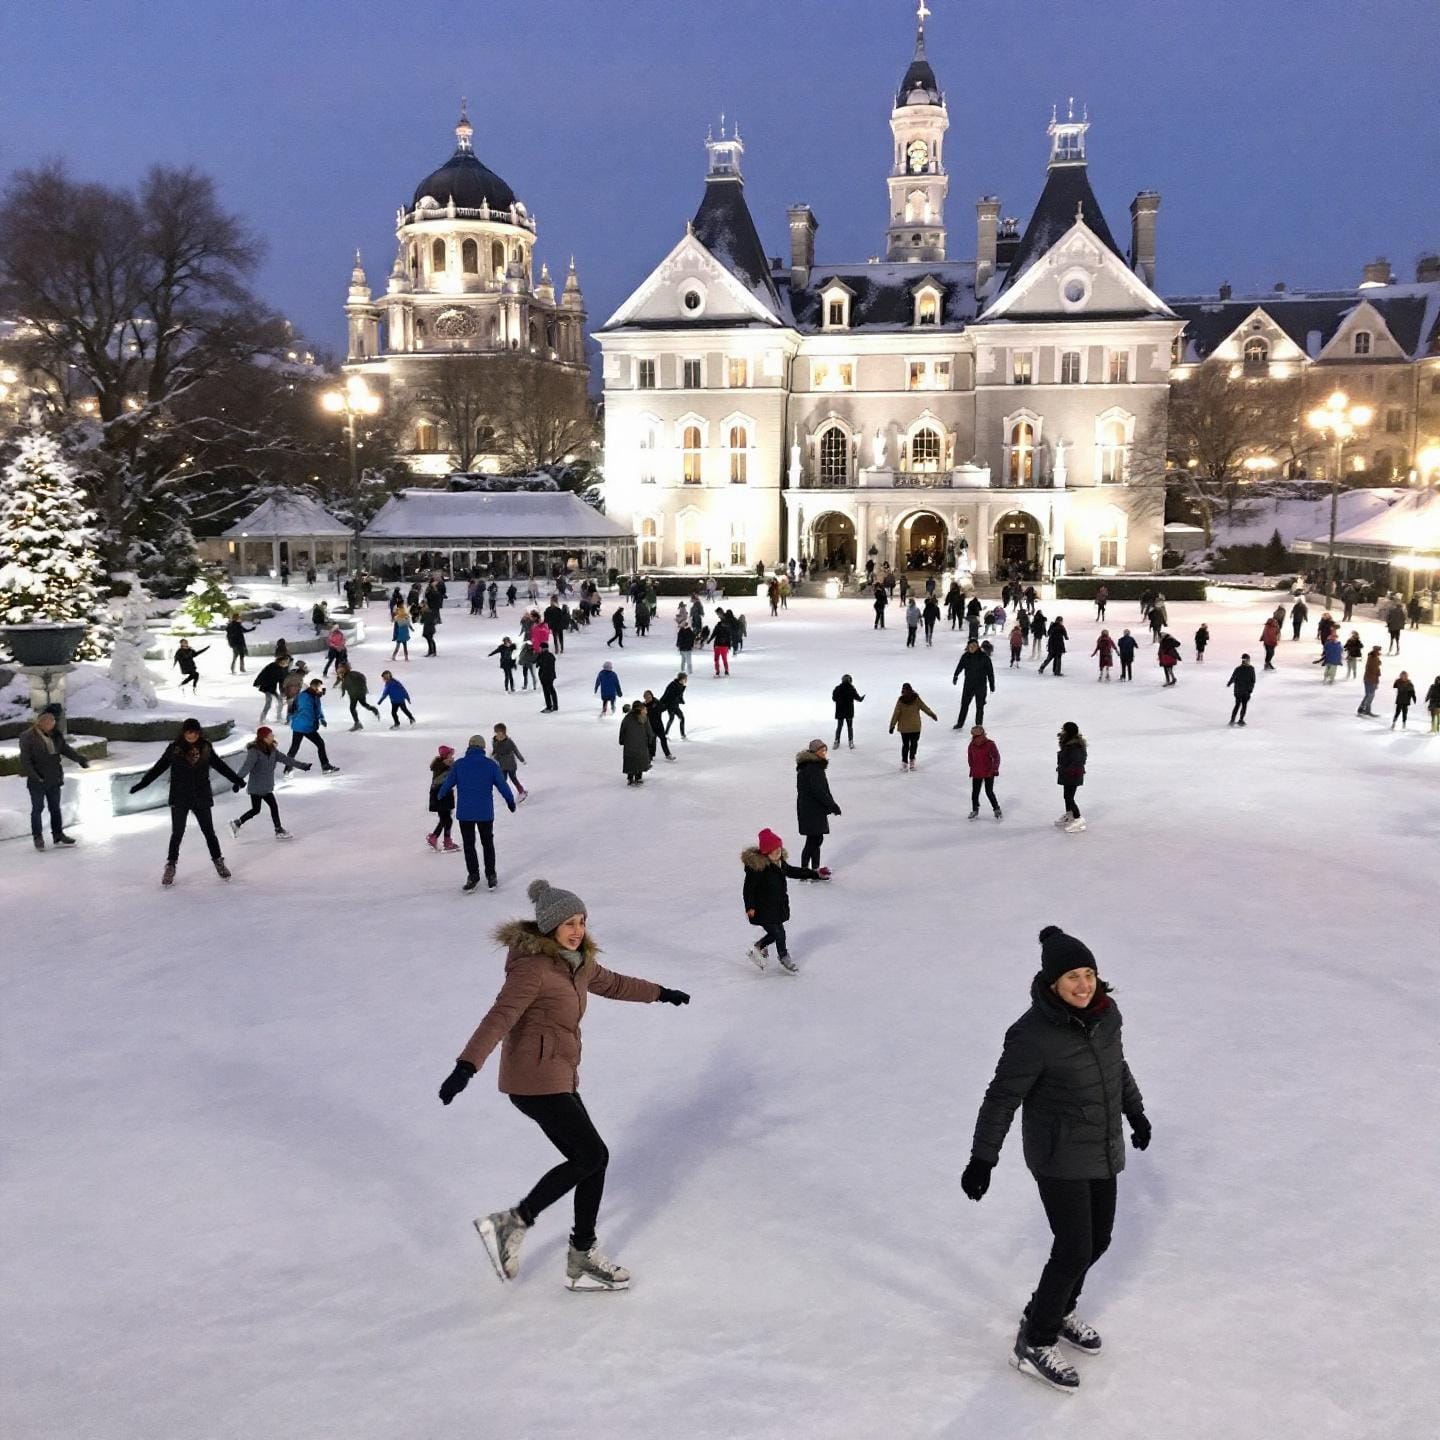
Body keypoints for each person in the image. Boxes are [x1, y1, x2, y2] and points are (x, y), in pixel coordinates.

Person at [438, 878, 689, 1290]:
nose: (577, 930)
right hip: (532, 1078)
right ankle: (513, 1224)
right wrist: (467, 1066)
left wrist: (661, 993)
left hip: (559, 1074)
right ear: (549, 927)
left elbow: (615, 983)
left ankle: (581, 1254)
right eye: (569, 923)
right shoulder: (532, 969)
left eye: (582, 921)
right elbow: (499, 1017)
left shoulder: (579, 963)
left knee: (593, 1159)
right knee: (591, 1154)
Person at [961, 926, 1149, 1393]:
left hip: (1102, 1145)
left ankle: (1057, 1308)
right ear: (1052, 985)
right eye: (1072, 977)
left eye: (1089, 974)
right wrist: (983, 1159)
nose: (1084, 985)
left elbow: (1116, 1067)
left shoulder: (1108, 1017)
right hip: (1057, 1153)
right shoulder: (1031, 1035)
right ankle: (1035, 1340)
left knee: (1099, 1240)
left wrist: (1136, 1112)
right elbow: (1002, 1097)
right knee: (1073, 1248)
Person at [130, 718, 243, 884]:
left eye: (195, 732)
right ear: (184, 733)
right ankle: (170, 866)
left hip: (201, 796)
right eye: (189, 732)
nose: (192, 735)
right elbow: (159, 768)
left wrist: (236, 779)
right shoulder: (174, 749)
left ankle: (218, 861)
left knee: (209, 832)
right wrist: (142, 783)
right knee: (177, 833)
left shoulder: (206, 748)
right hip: (180, 797)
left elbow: (220, 766)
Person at [436, 735, 517, 891]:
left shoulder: (459, 765)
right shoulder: (490, 765)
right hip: (485, 812)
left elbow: (447, 784)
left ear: (469, 747)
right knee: (487, 843)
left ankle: (473, 876)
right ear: (482, 748)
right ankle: (491, 876)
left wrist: (440, 796)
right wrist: (510, 801)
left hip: (465, 813)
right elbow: (502, 785)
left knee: (469, 845)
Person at [741, 828, 826, 972]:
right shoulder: (758, 869)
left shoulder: (780, 864)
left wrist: (815, 874)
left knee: (776, 932)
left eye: (778, 848)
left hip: (776, 906)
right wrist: (750, 906)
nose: (777, 851)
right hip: (762, 908)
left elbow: (794, 871)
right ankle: (783, 956)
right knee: (779, 933)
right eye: (773, 850)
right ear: (766, 852)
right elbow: (748, 889)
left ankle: (758, 947)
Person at [19, 705, 89, 850]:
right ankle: (38, 837)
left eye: (53, 722)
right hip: (37, 780)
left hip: (54, 778)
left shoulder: (56, 735)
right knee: (37, 809)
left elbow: (65, 749)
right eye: (49, 722)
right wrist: (36, 777)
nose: (52, 724)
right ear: (41, 722)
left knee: (55, 808)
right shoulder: (27, 737)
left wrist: (79, 759)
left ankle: (58, 835)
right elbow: (26, 760)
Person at [230, 726, 307, 839]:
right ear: (264, 738)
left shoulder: (272, 750)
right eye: (270, 735)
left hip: (266, 786)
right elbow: (246, 767)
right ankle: (278, 829)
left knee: (259, 809)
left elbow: (286, 759)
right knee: (264, 808)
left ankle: (238, 823)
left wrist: (302, 765)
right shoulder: (254, 752)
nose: (272, 737)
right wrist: (237, 781)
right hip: (256, 787)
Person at [795, 738, 841, 872]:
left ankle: (815, 869)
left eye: (825, 750)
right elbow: (819, 791)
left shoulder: (810, 766)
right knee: (814, 840)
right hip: (812, 809)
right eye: (821, 750)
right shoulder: (813, 768)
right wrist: (832, 806)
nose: (824, 753)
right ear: (814, 752)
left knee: (815, 838)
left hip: (810, 808)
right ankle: (805, 870)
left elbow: (821, 790)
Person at [287, 679, 339, 772]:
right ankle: (325, 766)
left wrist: (321, 718)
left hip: (300, 725)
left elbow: (318, 708)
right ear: (314, 686)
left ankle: (287, 769)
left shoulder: (314, 695)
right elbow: (307, 712)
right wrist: (315, 722)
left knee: (295, 747)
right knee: (319, 744)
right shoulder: (306, 697)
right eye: (320, 687)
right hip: (305, 725)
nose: (321, 689)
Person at [889, 683, 938, 771]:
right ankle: (911, 761)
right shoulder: (915, 699)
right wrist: (932, 714)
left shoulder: (901, 700)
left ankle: (905, 762)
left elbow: (896, 714)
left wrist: (892, 726)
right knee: (913, 744)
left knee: (906, 745)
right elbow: (924, 707)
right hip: (915, 727)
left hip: (905, 728)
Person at [952, 640, 996, 728]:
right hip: (969, 685)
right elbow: (960, 666)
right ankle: (960, 723)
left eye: (974, 646)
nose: (972, 647)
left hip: (981, 685)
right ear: (968, 647)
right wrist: (956, 676)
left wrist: (992, 684)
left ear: (978, 647)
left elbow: (990, 672)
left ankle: (979, 724)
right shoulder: (965, 656)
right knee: (964, 704)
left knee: (980, 706)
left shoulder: (984, 657)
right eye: (970, 646)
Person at [1055, 721, 1086, 832]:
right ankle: (1070, 814)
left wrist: (1068, 771)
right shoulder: (1067, 742)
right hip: (1067, 774)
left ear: (1068, 731)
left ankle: (1078, 819)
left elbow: (1077, 762)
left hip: (1073, 775)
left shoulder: (1075, 746)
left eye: (1064, 729)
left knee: (1069, 797)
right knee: (1066, 796)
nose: (1062, 731)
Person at [967, 725, 1002, 820]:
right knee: (975, 792)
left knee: (989, 791)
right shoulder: (972, 745)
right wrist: (972, 768)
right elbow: (970, 758)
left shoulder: (990, 744)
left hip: (988, 772)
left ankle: (996, 809)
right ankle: (975, 809)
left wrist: (994, 769)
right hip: (978, 771)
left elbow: (996, 757)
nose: (974, 737)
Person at [428, 745, 459, 851]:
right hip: (441, 794)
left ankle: (443, 839)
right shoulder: (442, 766)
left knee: (446, 818)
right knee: (446, 819)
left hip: (443, 794)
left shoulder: (444, 765)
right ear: (445, 757)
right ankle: (439, 838)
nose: (452, 757)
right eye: (450, 755)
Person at [336, 662, 381, 729]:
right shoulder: (352, 674)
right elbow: (362, 678)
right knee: (364, 704)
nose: (340, 672)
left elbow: (345, 685)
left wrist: (343, 692)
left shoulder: (348, 676)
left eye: (341, 671)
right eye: (339, 671)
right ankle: (374, 709)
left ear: (345, 669)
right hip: (360, 693)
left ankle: (357, 724)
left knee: (352, 708)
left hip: (355, 694)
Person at [491, 723, 529, 801]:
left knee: (513, 778)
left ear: (504, 733)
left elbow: (515, 750)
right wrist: (492, 756)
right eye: (496, 733)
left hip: (511, 764)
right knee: (502, 779)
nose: (498, 735)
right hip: (502, 764)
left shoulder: (509, 742)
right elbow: (495, 751)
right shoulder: (494, 741)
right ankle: (506, 793)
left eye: (500, 733)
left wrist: (522, 759)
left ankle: (522, 791)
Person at [618, 702, 652, 785]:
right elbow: (649, 731)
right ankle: (638, 777)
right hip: (641, 744)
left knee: (630, 760)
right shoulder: (644, 718)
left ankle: (630, 777)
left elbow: (623, 730)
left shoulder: (627, 718)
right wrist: (650, 741)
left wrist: (622, 740)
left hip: (629, 744)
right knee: (639, 759)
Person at [832, 674, 864, 749]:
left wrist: (840, 701)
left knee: (839, 727)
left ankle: (836, 741)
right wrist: (862, 698)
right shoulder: (851, 688)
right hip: (849, 712)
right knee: (850, 727)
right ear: (850, 681)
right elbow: (858, 698)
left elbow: (834, 698)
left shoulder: (837, 688)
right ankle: (851, 742)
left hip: (840, 711)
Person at [1227, 654, 1256, 726]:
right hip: (1245, 691)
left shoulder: (1238, 669)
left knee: (1238, 705)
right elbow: (1253, 680)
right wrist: (1250, 689)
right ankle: (1240, 720)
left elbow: (1233, 678)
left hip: (1238, 691)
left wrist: (1229, 683)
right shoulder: (1251, 669)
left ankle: (1232, 720)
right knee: (1243, 705)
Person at [658, 673, 688, 739]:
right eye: (685, 678)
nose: (686, 680)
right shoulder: (672, 685)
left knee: (682, 718)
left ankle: (682, 734)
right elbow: (667, 695)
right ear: (682, 679)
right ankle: (665, 733)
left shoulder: (680, 685)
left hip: (675, 705)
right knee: (671, 719)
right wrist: (661, 703)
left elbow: (679, 695)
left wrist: (681, 700)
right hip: (670, 705)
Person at [1359, 646, 1382, 716]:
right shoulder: (1373, 659)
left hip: (1369, 679)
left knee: (1368, 695)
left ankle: (1362, 709)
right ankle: (1365, 710)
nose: (1379, 652)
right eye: (1378, 651)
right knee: (1370, 695)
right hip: (1371, 680)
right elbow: (1374, 671)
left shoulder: (1373, 658)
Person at [537, 643, 559, 712]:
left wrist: (542, 675)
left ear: (543, 648)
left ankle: (550, 706)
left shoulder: (545, 656)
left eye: (540, 648)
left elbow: (542, 665)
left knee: (548, 691)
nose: (539, 649)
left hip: (546, 676)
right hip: (549, 676)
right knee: (550, 690)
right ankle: (552, 706)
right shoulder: (549, 655)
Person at [712, 612, 733, 677]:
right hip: (723, 646)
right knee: (723, 659)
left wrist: (710, 641)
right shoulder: (727, 628)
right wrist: (729, 646)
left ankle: (718, 672)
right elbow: (729, 638)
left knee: (717, 659)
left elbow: (714, 634)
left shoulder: (718, 627)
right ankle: (725, 671)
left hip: (719, 646)